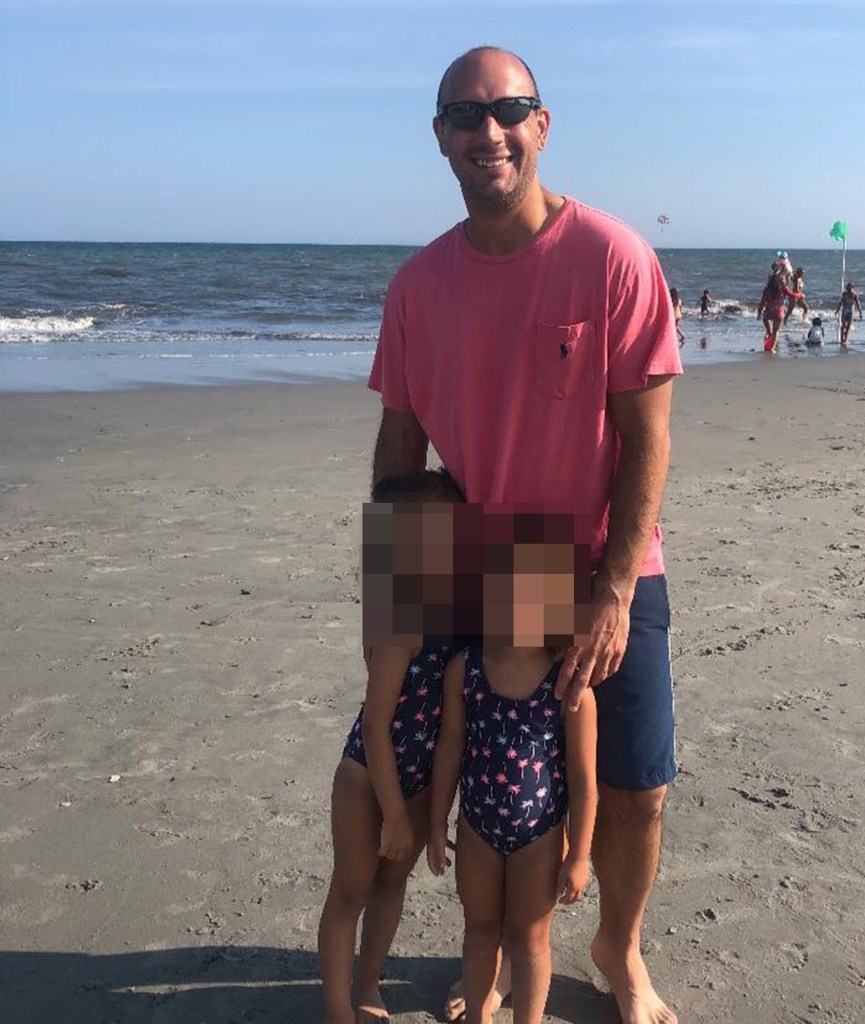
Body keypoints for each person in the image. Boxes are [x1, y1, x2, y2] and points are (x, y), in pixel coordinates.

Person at [369, 45, 682, 1024]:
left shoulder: (611, 257)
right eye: (464, 116)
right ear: (440, 139)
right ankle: (499, 952)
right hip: (484, 565)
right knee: (473, 785)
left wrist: (617, 592)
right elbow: (399, 445)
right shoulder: (419, 285)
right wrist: (394, 605)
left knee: (632, 788)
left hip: (597, 562)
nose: (486, 131)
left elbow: (646, 440)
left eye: (508, 110)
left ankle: (618, 952)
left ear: (541, 126)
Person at [427, 541, 599, 1024]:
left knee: (530, 939)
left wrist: (580, 854)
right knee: (479, 931)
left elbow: (585, 780)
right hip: (476, 830)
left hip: (540, 837)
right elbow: (449, 748)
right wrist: (437, 824)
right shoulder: (467, 669)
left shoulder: (569, 686)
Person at [318, 469, 463, 1024]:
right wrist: (396, 818)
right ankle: (337, 1010)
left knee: (391, 888)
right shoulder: (400, 621)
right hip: (366, 778)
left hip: (419, 778)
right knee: (351, 891)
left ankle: (367, 983)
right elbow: (376, 728)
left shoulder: (455, 617)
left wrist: (426, 818)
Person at [757, 263, 802, 354]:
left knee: (769, 332)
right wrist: (800, 294)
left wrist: (759, 312)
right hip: (778, 313)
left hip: (768, 313)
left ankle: (768, 341)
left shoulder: (767, 289)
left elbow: (762, 302)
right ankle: (772, 349)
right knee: (775, 332)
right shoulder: (783, 288)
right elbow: (793, 295)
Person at [834, 282, 863, 347]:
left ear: (853, 288)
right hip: (844, 312)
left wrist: (860, 312)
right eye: (848, 288)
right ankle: (842, 339)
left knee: (848, 327)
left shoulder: (854, 295)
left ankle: (845, 339)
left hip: (851, 312)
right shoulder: (844, 294)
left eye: (851, 288)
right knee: (843, 326)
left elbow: (858, 304)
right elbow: (840, 303)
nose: (850, 289)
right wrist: (837, 311)